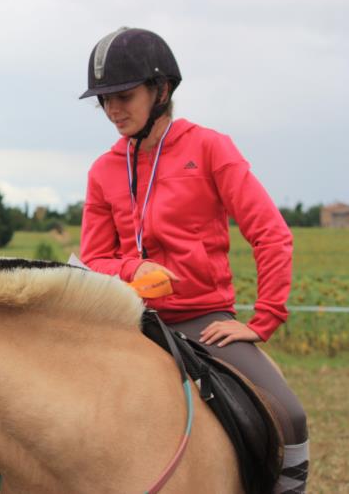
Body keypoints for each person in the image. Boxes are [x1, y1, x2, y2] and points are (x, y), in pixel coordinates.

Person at [78, 27, 308, 493]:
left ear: (161, 90)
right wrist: (131, 269)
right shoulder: (103, 169)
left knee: (291, 416)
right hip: (125, 318)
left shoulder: (210, 148)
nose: (112, 110)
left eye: (123, 95)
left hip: (203, 322)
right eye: (103, 100)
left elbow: (271, 234)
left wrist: (263, 320)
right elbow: (94, 257)